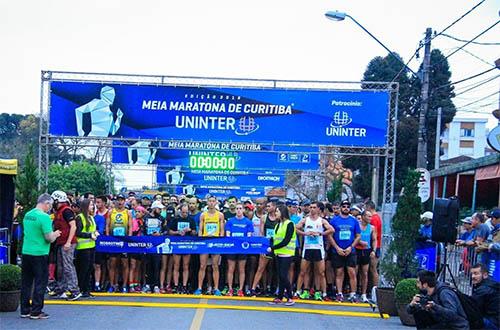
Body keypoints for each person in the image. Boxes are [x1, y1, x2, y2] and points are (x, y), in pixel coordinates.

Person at [21, 193, 61, 319]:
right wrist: (56, 233)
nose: (50, 208)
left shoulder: (28, 215)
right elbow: (48, 238)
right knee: (40, 282)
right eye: (50, 205)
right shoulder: (44, 217)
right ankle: (36, 311)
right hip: (39, 253)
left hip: (26, 251)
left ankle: (25, 309)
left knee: (26, 282)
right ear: (47, 203)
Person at [295, 201, 334, 301]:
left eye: (314, 207)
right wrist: (305, 233)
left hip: (318, 248)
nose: (312, 209)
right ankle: (301, 291)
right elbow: (295, 228)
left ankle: (321, 293)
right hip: (307, 248)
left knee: (320, 272)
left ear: (318, 209)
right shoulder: (305, 220)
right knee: (304, 271)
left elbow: (331, 230)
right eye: (311, 207)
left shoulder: (321, 221)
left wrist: (320, 233)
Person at [50, 190, 82, 300]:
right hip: (61, 242)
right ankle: (61, 288)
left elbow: (73, 226)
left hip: (67, 242)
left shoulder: (66, 211)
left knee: (68, 266)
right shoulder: (59, 211)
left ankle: (74, 290)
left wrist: (68, 242)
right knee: (61, 267)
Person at [329, 200, 361, 302]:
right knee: (339, 272)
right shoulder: (334, 220)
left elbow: (358, 236)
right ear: (341, 207)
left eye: (347, 206)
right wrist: (337, 248)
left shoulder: (354, 221)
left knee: (352, 272)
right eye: (343, 206)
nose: (345, 208)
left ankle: (353, 294)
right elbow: (329, 236)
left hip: (350, 251)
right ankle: (339, 293)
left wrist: (351, 247)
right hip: (337, 251)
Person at [267, 204, 296, 306]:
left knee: (284, 275)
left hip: (287, 254)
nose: (275, 213)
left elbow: (286, 241)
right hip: (278, 254)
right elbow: (274, 239)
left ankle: (290, 297)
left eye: (277, 211)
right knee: (280, 276)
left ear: (282, 212)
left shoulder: (290, 224)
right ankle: (280, 297)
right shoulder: (278, 225)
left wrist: (273, 248)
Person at [195, 195, 225, 296]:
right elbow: (200, 229)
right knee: (202, 265)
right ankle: (199, 288)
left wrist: (220, 241)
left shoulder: (220, 215)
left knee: (215, 266)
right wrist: (200, 240)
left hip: (215, 242)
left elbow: (222, 230)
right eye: (210, 201)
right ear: (207, 203)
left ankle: (216, 288)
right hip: (205, 242)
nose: (211, 203)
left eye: (213, 201)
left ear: (216, 202)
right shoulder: (203, 215)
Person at [250, 199, 278, 297]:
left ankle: (275, 288)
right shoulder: (264, 218)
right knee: (261, 268)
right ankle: (253, 288)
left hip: (278, 245)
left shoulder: (279, 218)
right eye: (267, 206)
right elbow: (262, 233)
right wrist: (262, 248)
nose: (267, 208)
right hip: (267, 245)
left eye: (269, 206)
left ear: (274, 207)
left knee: (277, 268)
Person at [225, 203, 253, 297]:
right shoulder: (230, 221)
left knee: (241, 269)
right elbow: (228, 234)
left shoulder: (248, 222)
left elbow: (249, 236)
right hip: (232, 248)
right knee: (231, 269)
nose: (238, 210)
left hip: (242, 249)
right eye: (237, 208)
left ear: (243, 210)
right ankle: (230, 289)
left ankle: (240, 289)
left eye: (240, 208)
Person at [106, 193, 132, 293]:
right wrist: (108, 238)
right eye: (118, 200)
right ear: (115, 201)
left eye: (122, 200)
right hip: (113, 240)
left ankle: (124, 285)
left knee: (124, 263)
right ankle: (113, 285)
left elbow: (130, 226)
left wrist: (128, 239)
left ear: (124, 201)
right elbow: (107, 225)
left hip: (124, 240)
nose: (120, 202)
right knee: (113, 263)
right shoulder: (111, 212)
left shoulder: (127, 212)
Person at [169, 204, 196, 294]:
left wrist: (190, 230)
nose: (185, 214)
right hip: (177, 244)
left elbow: (195, 232)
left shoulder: (191, 220)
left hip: (187, 244)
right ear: (180, 211)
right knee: (176, 265)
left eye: (186, 212)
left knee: (185, 265)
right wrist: (177, 232)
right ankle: (176, 285)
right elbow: (170, 231)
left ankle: (184, 285)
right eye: (183, 212)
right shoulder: (175, 219)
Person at [75, 198, 99, 298]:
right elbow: (78, 232)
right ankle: (81, 289)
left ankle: (87, 290)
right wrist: (90, 235)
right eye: (90, 205)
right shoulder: (80, 217)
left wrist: (95, 233)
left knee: (89, 269)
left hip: (91, 246)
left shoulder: (91, 217)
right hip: (82, 248)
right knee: (83, 270)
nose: (92, 207)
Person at [355, 210, 377, 303]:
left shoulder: (372, 228)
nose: (370, 218)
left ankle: (364, 294)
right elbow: (354, 237)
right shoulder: (357, 226)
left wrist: (373, 250)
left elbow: (374, 240)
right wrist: (360, 242)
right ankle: (354, 292)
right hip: (357, 250)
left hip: (366, 251)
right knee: (355, 273)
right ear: (363, 216)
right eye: (368, 216)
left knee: (365, 273)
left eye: (371, 216)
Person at [470, 263, 499, 329]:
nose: (472, 276)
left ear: (485, 275)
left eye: (476, 273)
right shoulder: (491, 283)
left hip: (493, 323)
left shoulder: (484, 289)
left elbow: (471, 306)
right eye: (472, 274)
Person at [93, 195, 108, 292]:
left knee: (101, 265)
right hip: (89, 245)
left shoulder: (104, 216)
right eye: (96, 202)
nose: (96, 204)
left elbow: (102, 230)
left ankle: (100, 283)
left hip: (102, 243)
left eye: (98, 202)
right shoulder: (92, 215)